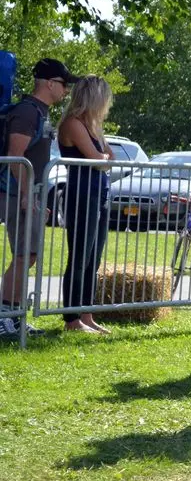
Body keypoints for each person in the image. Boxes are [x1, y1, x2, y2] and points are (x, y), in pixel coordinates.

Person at [0, 58, 76, 338]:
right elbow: (15, 155)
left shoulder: (38, 112)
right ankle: (5, 315)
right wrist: (25, 195)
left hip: (27, 194)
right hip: (15, 194)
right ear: (49, 83)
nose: (66, 90)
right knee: (25, 255)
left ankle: (15, 315)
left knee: (27, 254)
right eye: (64, 84)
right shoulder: (28, 112)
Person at [57, 75, 113, 333]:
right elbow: (98, 159)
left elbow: (109, 157)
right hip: (81, 193)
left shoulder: (93, 125)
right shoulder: (73, 123)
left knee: (94, 257)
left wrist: (103, 155)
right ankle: (72, 319)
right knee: (79, 256)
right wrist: (103, 156)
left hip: (98, 193)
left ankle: (87, 315)